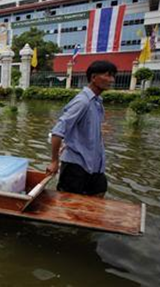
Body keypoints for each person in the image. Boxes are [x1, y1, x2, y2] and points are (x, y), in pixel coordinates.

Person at [46, 60, 117, 198]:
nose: (111, 80)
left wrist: (67, 143)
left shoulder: (97, 102)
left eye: (113, 76)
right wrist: (54, 161)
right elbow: (57, 132)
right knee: (68, 205)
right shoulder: (82, 102)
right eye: (107, 76)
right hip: (76, 165)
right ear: (93, 77)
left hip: (94, 164)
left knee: (99, 192)